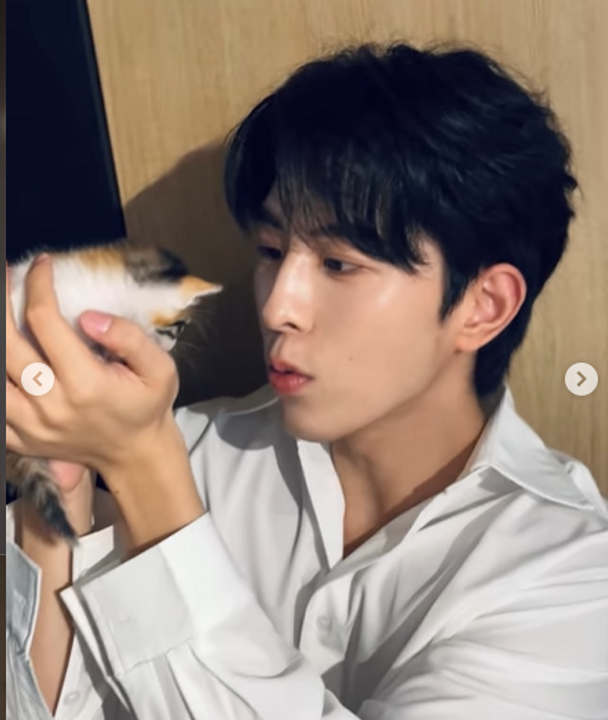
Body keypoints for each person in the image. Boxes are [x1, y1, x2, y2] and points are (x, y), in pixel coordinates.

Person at [6, 41, 608, 720]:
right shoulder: (193, 448)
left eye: (338, 264)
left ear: (483, 306)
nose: (275, 306)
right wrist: (56, 477)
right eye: (271, 250)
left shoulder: (570, 571)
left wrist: (142, 471)